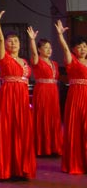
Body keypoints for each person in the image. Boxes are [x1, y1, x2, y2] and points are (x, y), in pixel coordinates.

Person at [0, 6, 36, 180]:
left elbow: (35, 58)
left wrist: (32, 41)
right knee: (8, 130)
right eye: (10, 41)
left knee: (22, 131)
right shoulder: (4, 58)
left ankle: (21, 168)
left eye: (16, 41)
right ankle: (7, 168)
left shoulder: (24, 61)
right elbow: (0, 40)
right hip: (9, 98)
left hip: (22, 100)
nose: (13, 43)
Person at [55, 20, 87, 174]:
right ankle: (77, 162)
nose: (83, 49)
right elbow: (65, 49)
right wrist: (61, 36)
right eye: (79, 47)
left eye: (85, 46)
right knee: (77, 129)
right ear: (74, 49)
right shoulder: (72, 61)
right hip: (77, 97)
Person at [28, 28, 63, 157]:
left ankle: (54, 147)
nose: (49, 50)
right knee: (43, 117)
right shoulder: (37, 61)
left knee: (54, 118)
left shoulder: (55, 63)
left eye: (50, 48)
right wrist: (32, 40)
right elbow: (33, 53)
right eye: (46, 47)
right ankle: (42, 148)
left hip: (53, 91)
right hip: (42, 91)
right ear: (39, 49)